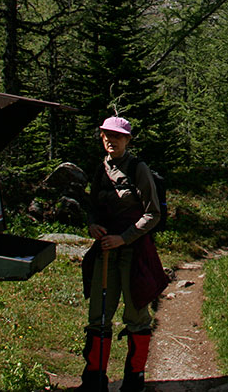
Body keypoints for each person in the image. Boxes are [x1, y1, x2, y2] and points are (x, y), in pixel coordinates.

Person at [79, 116, 165, 392]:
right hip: (106, 250)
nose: (110, 140)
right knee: (99, 315)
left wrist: (124, 238)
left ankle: (134, 379)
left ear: (127, 140)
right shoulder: (100, 168)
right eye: (106, 135)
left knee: (136, 314)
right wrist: (93, 225)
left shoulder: (138, 169)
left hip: (134, 251)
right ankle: (94, 378)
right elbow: (92, 205)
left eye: (116, 136)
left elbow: (153, 214)